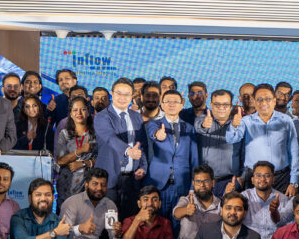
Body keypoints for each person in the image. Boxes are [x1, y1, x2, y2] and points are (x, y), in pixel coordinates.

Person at [226, 84, 299, 194]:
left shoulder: (286, 120)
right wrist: (234, 125)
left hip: (281, 178)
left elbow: (294, 152)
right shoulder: (246, 121)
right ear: (254, 101)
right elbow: (231, 139)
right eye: (259, 99)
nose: (264, 103)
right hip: (253, 178)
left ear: (274, 101)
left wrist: (294, 182)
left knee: (283, 206)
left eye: (268, 99)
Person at [94, 77, 146, 219]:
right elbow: (110, 138)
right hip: (108, 180)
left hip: (132, 180)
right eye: (119, 93)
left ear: (132, 96)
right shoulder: (101, 116)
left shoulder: (137, 117)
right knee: (108, 224)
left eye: (127, 94)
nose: (122, 98)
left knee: (130, 222)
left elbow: (142, 145)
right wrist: (128, 151)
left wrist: (143, 167)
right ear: (112, 93)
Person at [144, 89, 198, 217]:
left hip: (182, 184)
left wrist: (192, 186)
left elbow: (194, 160)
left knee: (178, 223)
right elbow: (153, 133)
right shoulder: (154, 124)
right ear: (162, 105)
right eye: (168, 101)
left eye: (175, 101)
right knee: (158, 222)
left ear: (182, 105)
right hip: (158, 184)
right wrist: (158, 134)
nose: (171, 104)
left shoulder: (189, 128)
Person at [172, 165, 223, 239]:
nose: (202, 185)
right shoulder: (186, 200)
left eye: (206, 181)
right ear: (193, 183)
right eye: (198, 181)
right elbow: (176, 212)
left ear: (213, 183)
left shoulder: (221, 204)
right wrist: (186, 210)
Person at [195, 90, 243, 196]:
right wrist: (204, 125)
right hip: (206, 182)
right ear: (211, 104)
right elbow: (199, 127)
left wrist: (241, 178)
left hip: (232, 181)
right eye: (217, 104)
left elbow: (245, 153)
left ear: (231, 106)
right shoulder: (202, 119)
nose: (221, 108)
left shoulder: (239, 123)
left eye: (225, 105)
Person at [242, 160, 293, 239]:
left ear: (273, 179)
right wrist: (227, 195)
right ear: (252, 180)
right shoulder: (244, 198)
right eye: (258, 175)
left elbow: (289, 229)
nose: (262, 179)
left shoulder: (283, 199)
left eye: (267, 175)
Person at [55, 96, 98, 203]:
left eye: (83, 109)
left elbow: (103, 160)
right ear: (70, 113)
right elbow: (60, 161)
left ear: (88, 112)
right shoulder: (64, 134)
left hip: (88, 182)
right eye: (75, 110)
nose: (79, 113)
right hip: (66, 183)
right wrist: (81, 150)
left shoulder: (96, 134)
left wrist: (83, 163)